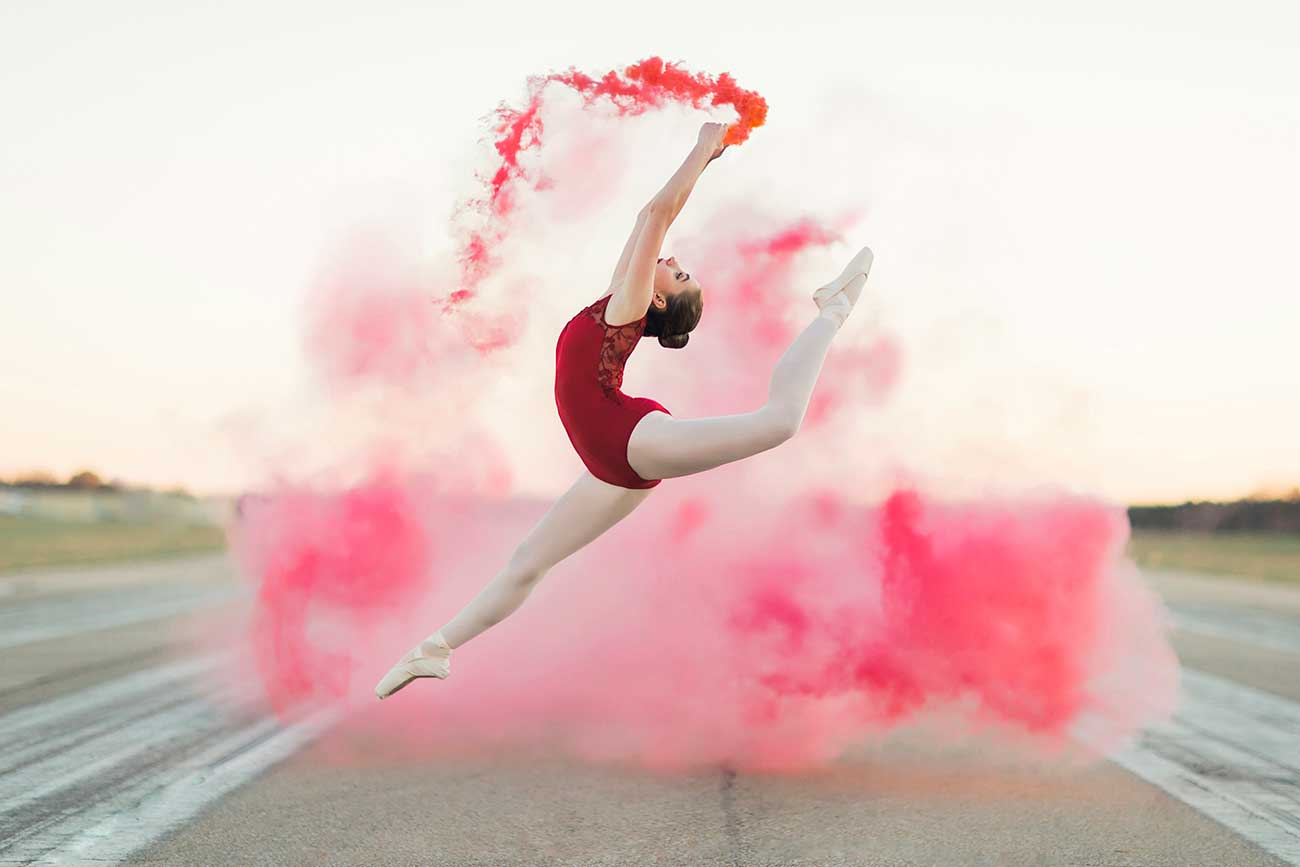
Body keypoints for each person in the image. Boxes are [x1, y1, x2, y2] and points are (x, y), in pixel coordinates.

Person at [375, 122, 874, 699]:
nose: (674, 259)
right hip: (611, 465)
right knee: (526, 564)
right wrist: (709, 159)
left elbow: (661, 214)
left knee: (778, 422)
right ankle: (433, 651)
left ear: (658, 297)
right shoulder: (617, 296)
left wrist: (702, 146)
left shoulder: (630, 305)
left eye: (678, 273)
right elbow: (647, 218)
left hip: (630, 437)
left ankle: (830, 310)